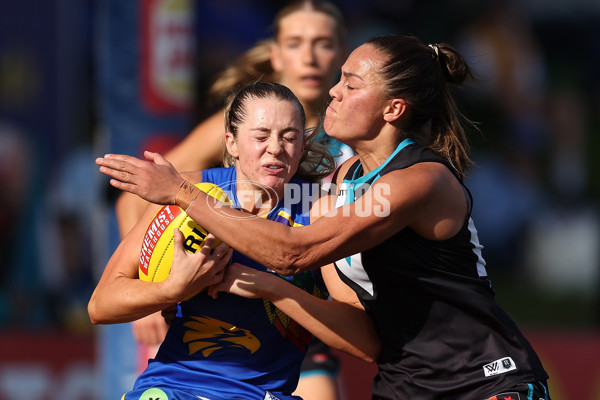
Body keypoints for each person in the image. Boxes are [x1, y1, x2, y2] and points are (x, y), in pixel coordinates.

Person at [97, 33, 552, 400]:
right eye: (340, 79)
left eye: (351, 84)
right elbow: (220, 184)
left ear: (393, 109)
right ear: (233, 141)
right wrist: (172, 194)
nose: (333, 91)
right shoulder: (336, 184)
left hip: (481, 381)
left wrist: (180, 191)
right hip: (404, 384)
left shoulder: (417, 180)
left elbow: (298, 252)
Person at [90, 81, 379, 400]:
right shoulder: (185, 192)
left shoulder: (320, 212)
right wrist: (171, 289)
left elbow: (365, 343)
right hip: (172, 387)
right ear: (231, 143)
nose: (275, 148)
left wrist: (273, 288)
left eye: (289, 137)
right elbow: (100, 305)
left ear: (301, 146)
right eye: (261, 135)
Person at [119, 2, 350, 398]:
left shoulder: (351, 124)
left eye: (323, 43)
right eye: (296, 43)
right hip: (224, 308)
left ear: (340, 53)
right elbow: (142, 196)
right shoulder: (239, 120)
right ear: (276, 54)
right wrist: (154, 279)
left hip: (304, 305)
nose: (310, 57)